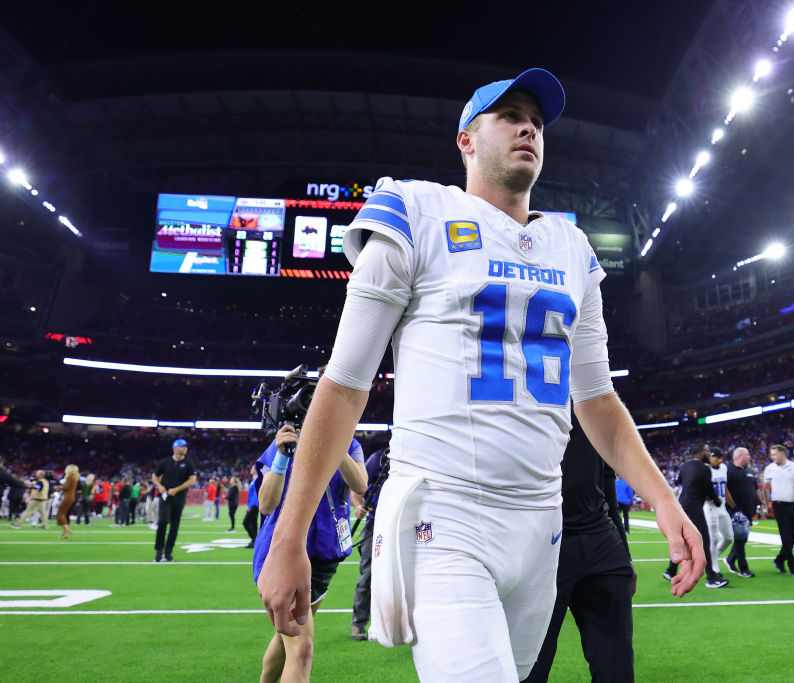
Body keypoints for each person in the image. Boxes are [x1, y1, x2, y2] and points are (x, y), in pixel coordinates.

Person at [257, 67, 705, 682]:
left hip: (543, 526)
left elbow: (597, 399)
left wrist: (663, 499)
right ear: (466, 138)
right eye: (511, 115)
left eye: (538, 122)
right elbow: (343, 384)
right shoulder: (416, 210)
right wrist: (289, 537)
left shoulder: (572, 248)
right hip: (444, 514)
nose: (529, 127)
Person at [525, 417, 636, 683]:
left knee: (616, 669)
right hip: (538, 544)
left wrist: (623, 552)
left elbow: (606, 479)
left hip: (600, 541)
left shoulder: (591, 393)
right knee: (527, 669)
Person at [254, 423, 366, 683]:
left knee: (287, 641)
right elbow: (266, 505)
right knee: (301, 648)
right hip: (284, 555)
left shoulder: (349, 443)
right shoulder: (283, 443)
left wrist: (334, 442)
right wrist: (282, 455)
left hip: (326, 556)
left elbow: (359, 485)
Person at [665, 446, 727, 588]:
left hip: (682, 503)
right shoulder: (705, 468)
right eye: (706, 451)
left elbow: (678, 482)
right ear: (700, 452)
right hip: (693, 505)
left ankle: (671, 570)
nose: (708, 453)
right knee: (703, 540)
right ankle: (711, 577)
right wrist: (717, 501)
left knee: (684, 538)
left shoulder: (686, 466)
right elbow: (709, 490)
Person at [350, 445, 390, 642]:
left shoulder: (416, 458)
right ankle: (358, 623)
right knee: (368, 574)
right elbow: (357, 490)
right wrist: (358, 507)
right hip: (377, 523)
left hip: (407, 525)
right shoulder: (379, 459)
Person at [762, 444, 794, 577]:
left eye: (775, 454)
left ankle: (779, 560)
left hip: (793, 505)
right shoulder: (769, 468)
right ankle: (792, 566)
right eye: (771, 454)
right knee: (786, 536)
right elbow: (765, 487)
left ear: (783, 454)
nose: (772, 457)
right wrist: (766, 503)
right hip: (779, 505)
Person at [152, 438, 197, 562]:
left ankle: (168, 552)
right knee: (162, 522)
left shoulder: (189, 463)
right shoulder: (165, 462)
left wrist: (177, 489)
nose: (184, 449)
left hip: (179, 497)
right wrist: (160, 486)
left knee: (175, 525)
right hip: (165, 496)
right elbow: (154, 476)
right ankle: (159, 550)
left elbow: (192, 480)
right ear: (175, 448)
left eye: (185, 447)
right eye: (182, 446)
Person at [725, 447, 758, 578]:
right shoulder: (728, 470)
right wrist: (733, 506)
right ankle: (743, 568)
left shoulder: (749, 471)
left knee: (743, 539)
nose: (750, 457)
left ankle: (730, 559)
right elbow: (725, 488)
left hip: (748, 509)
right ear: (739, 456)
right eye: (747, 454)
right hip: (736, 511)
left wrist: (761, 502)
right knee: (740, 539)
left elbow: (754, 488)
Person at [704, 448, 734, 581]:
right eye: (711, 457)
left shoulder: (724, 468)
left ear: (720, 458)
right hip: (710, 507)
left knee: (729, 537)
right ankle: (714, 568)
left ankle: (710, 559)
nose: (712, 459)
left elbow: (725, 487)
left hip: (722, 507)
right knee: (714, 538)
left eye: (715, 457)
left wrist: (733, 505)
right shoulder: (704, 469)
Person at [56, 464, 80, 539]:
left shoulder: (70, 477)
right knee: (64, 514)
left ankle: (67, 530)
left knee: (60, 514)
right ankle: (65, 533)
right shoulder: (75, 478)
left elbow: (66, 487)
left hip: (68, 497)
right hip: (71, 497)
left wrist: (59, 487)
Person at [243, 465, 260, 548]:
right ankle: (254, 541)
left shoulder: (256, 480)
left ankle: (254, 538)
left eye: (252, 468)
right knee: (253, 523)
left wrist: (250, 506)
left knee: (246, 522)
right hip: (254, 505)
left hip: (254, 505)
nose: (251, 470)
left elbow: (255, 495)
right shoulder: (254, 480)